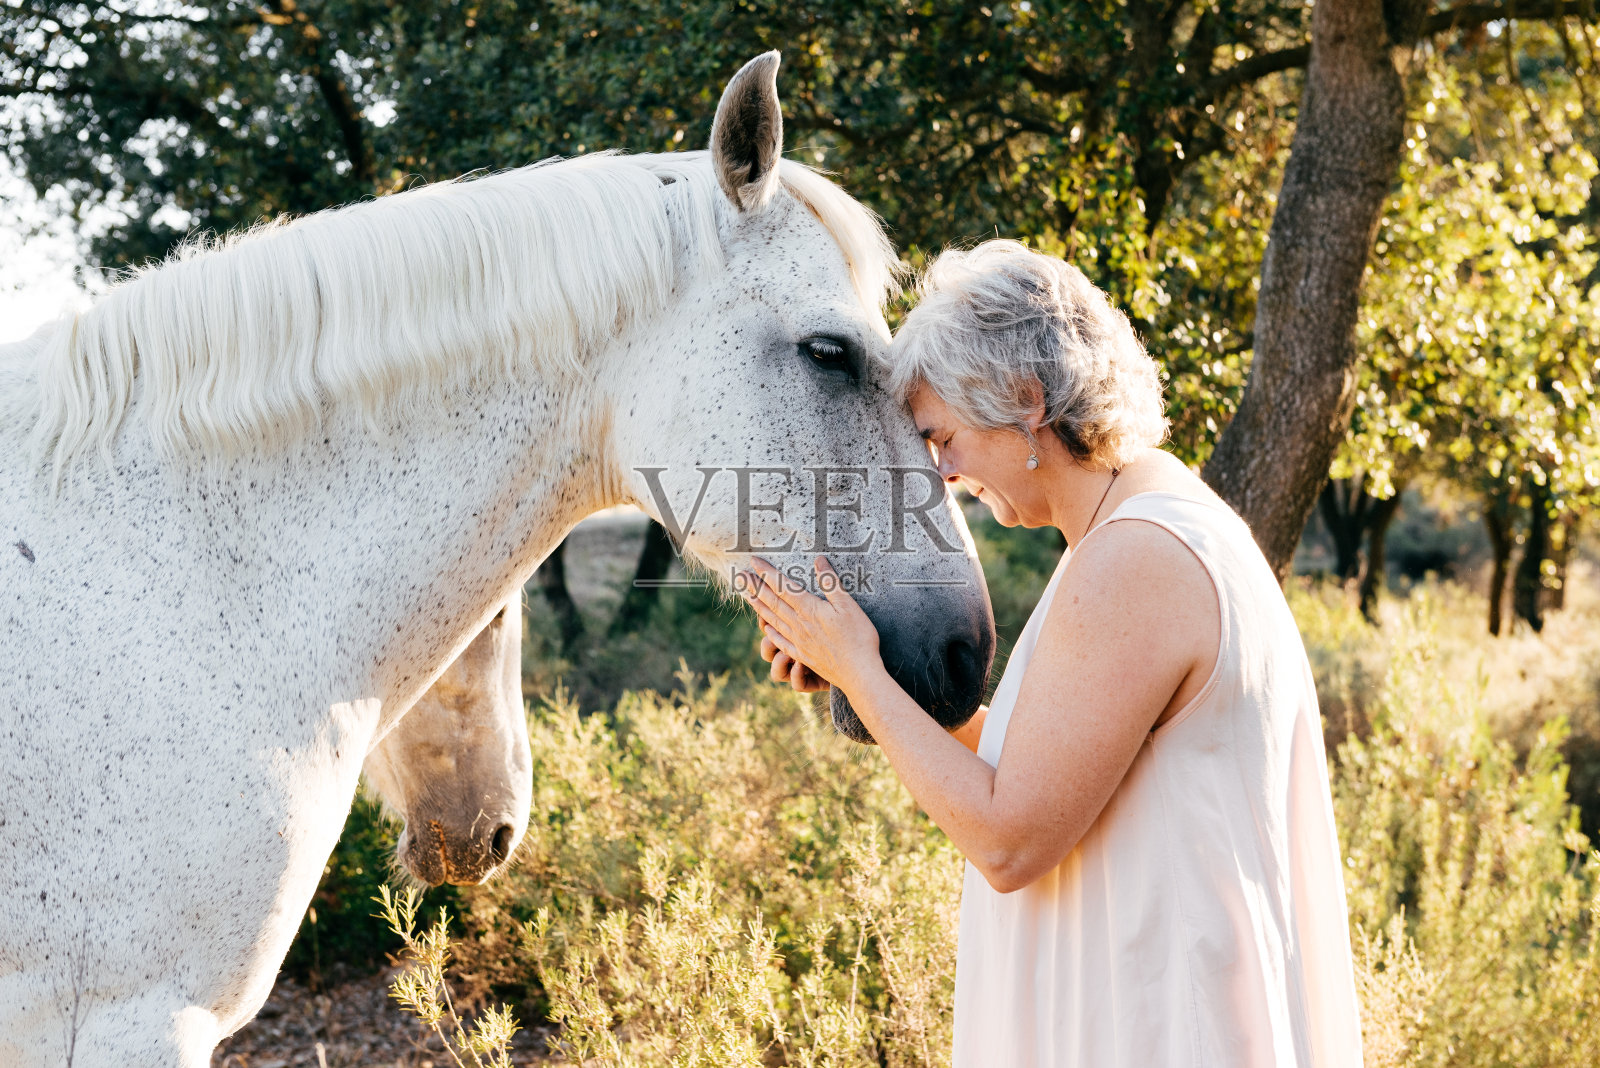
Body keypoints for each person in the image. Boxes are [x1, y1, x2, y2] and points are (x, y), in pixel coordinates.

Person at [742, 240, 1364, 1067]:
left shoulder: (1138, 555)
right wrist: (871, 667)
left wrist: (859, 667)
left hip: (1157, 1029)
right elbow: (1043, 774)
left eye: (943, 437)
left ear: (1026, 400)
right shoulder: (1141, 528)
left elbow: (1010, 840)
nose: (945, 474)